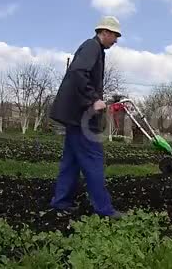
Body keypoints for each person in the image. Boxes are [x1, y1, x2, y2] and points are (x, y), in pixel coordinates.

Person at [48, 16, 124, 219]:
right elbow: (78, 72)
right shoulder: (92, 46)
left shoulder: (95, 49)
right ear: (105, 33)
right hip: (82, 117)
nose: (116, 41)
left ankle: (61, 201)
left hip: (75, 116)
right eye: (115, 36)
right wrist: (93, 99)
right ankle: (104, 210)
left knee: (71, 161)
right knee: (94, 160)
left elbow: (82, 75)